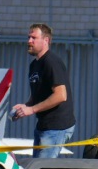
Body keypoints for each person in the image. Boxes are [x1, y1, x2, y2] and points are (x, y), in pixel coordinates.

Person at [12, 23, 75, 159]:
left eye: (34, 38)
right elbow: (38, 95)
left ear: (46, 40)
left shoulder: (51, 62)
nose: (29, 41)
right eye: (29, 37)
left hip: (57, 127)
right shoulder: (34, 65)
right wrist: (26, 106)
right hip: (43, 125)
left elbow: (61, 95)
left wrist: (32, 109)